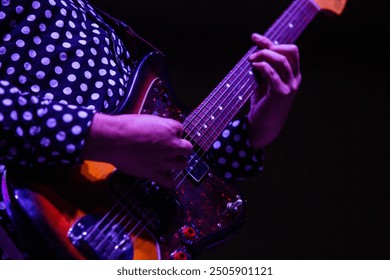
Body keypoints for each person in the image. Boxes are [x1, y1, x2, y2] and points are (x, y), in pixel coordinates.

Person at [0, 0, 300, 258]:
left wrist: (256, 128)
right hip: (24, 223)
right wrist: (108, 136)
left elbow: (170, 166)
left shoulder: (93, 19)